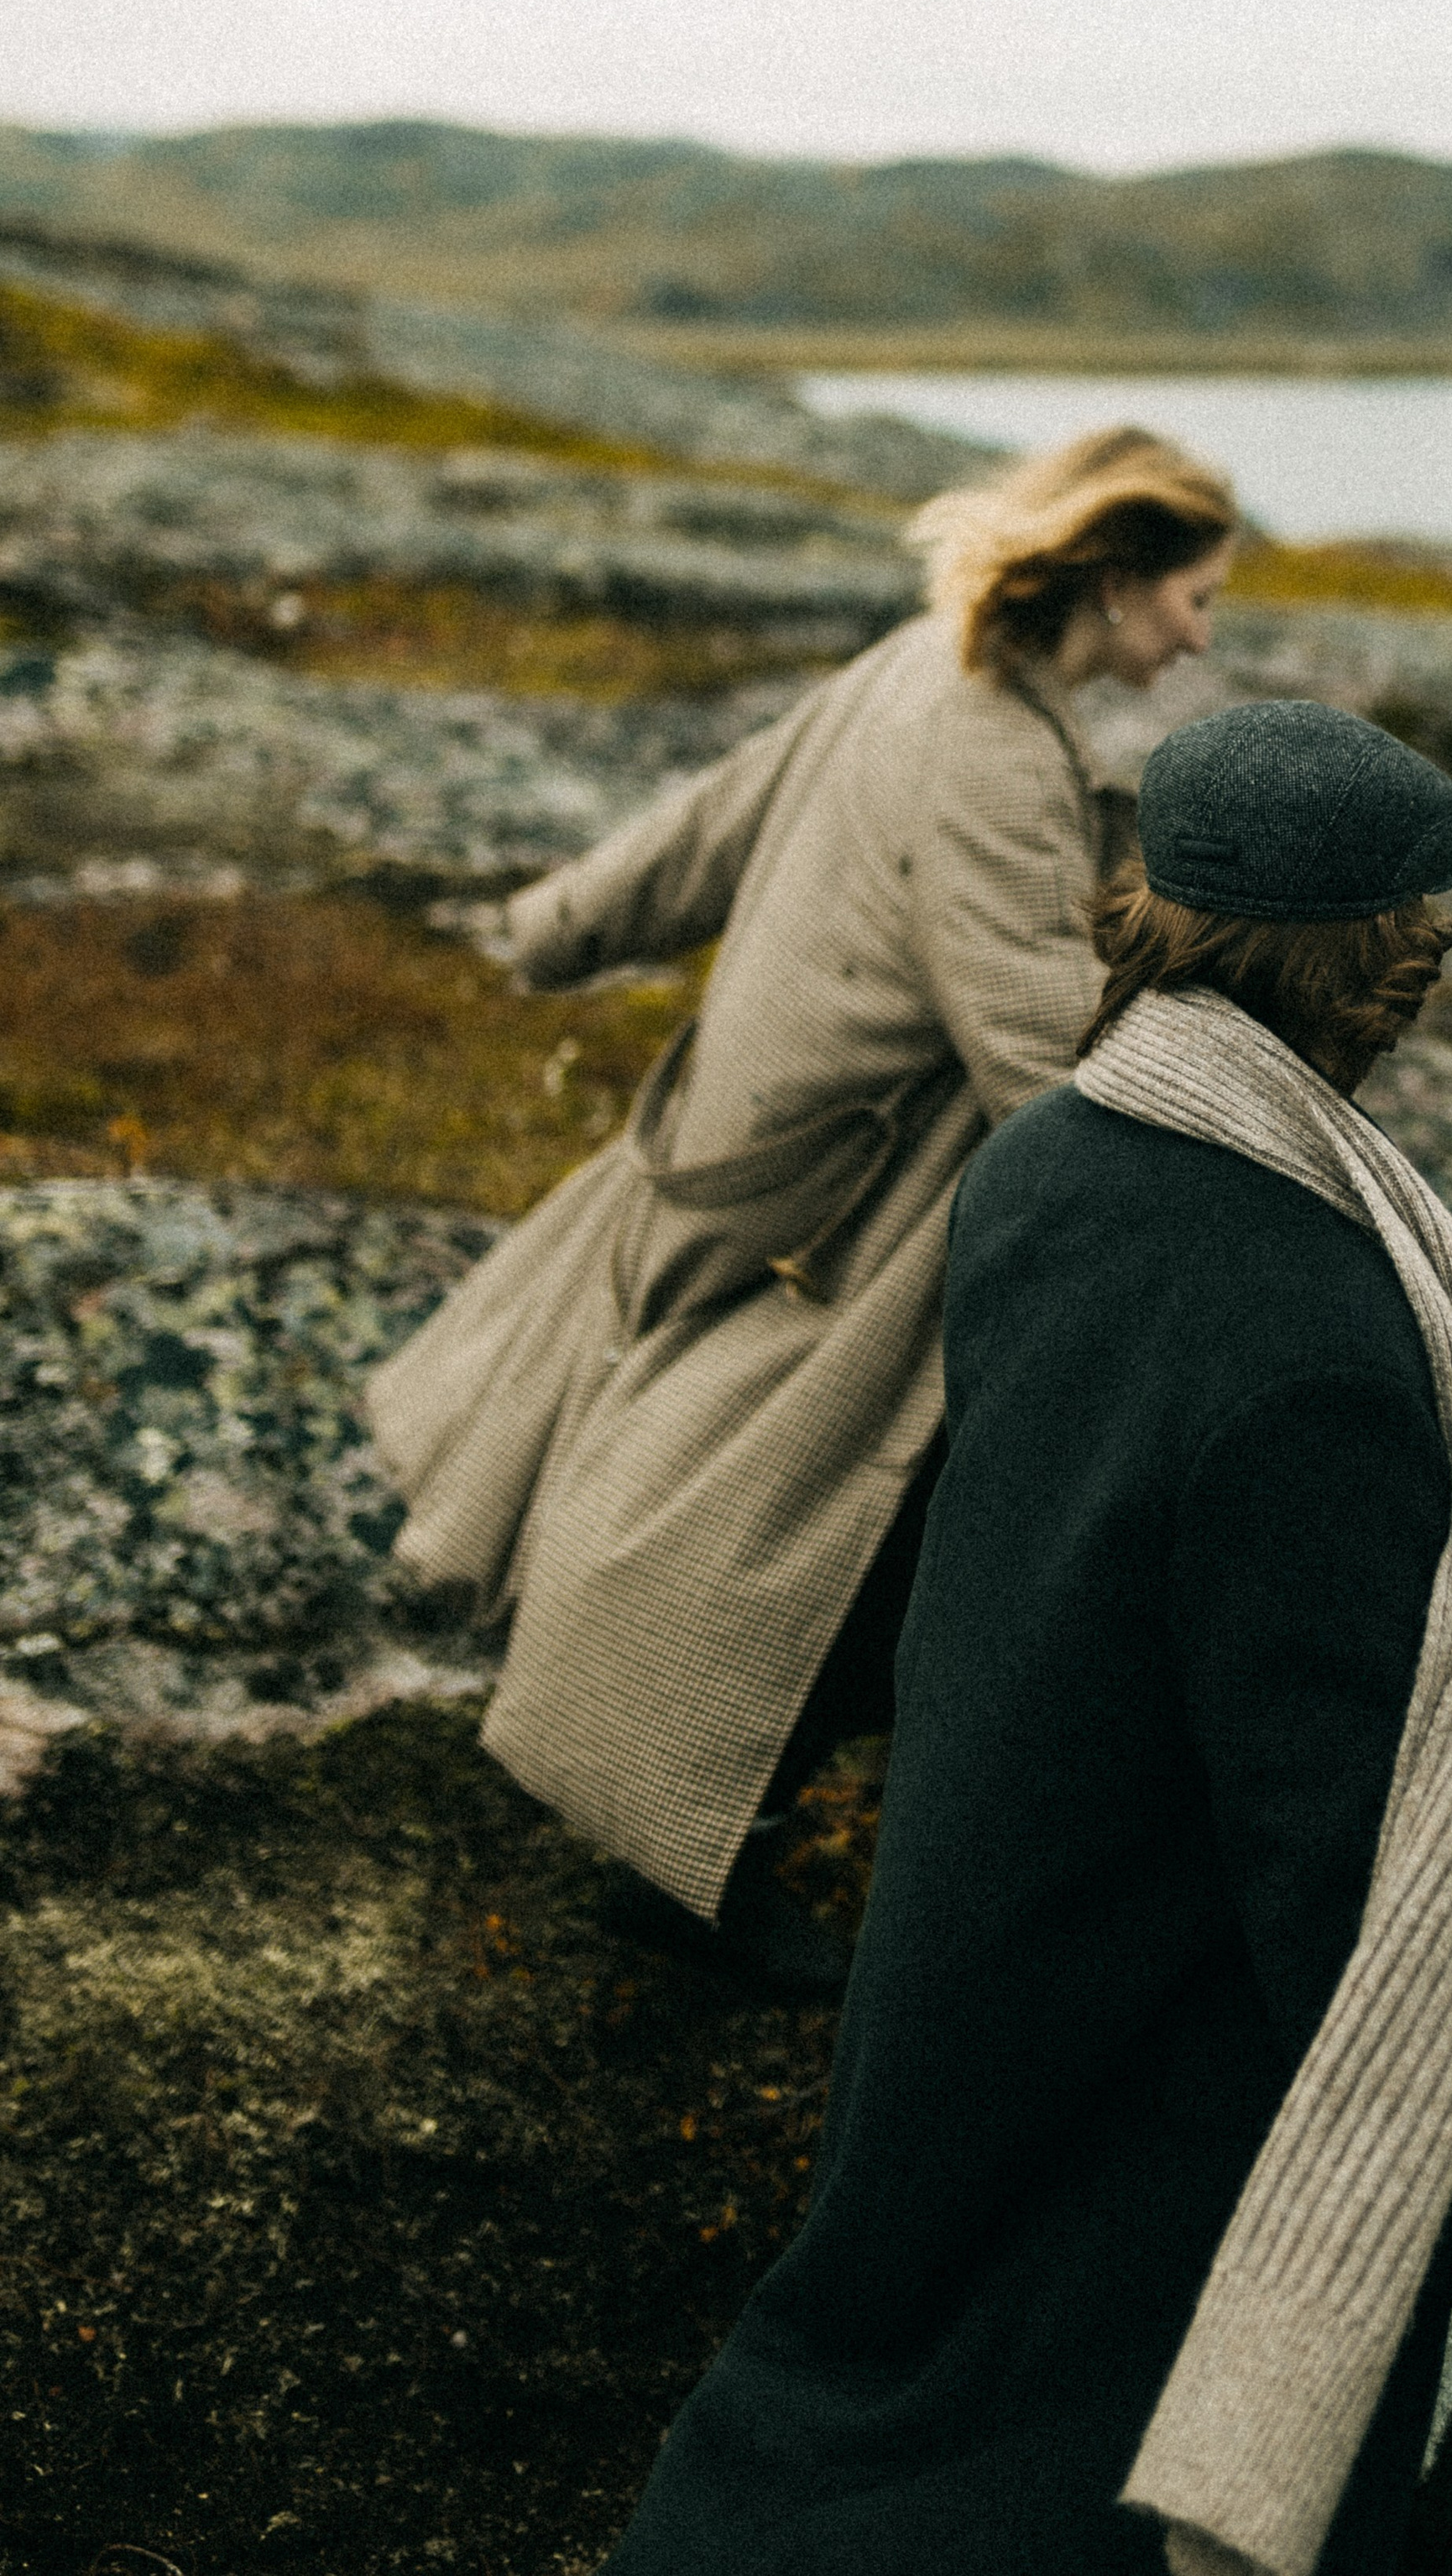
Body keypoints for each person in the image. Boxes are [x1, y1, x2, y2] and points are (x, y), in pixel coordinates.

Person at [599, 699, 1452, 2576]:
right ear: (1363, 960)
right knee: (1053, 2477)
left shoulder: (1057, 1162)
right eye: (1421, 918)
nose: (1443, 947)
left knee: (909, 2392)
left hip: (990, 1964)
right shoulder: (1312, 1346)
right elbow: (1369, 1925)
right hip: (1178, 2081)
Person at [366, 428, 1237, 1969]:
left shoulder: (928, 661)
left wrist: (555, 927)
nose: (1200, 639)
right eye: (1195, 599)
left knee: (774, 1500)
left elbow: (710, 820)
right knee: (829, 1532)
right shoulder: (990, 751)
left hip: (743, 1150)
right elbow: (1036, 1054)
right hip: (842, 1207)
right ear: (1114, 578)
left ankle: (690, 1805)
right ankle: (691, 1862)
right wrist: (1213, 1233)